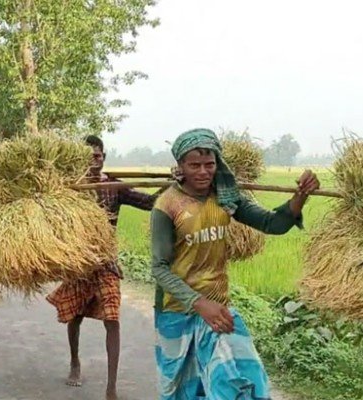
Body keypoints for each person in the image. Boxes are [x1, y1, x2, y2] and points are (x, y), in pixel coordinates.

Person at [149, 128, 320, 399]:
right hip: (177, 312)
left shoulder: (227, 198)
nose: (204, 172)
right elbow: (158, 268)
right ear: (180, 166)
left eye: (210, 164)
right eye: (194, 165)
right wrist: (198, 303)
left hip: (218, 310)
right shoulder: (167, 206)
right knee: (183, 390)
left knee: (238, 382)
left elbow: (271, 223)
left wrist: (300, 196)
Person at [46, 135, 165, 400]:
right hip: (78, 262)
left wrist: (171, 186)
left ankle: (111, 388)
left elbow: (148, 203)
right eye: (89, 156)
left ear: (104, 157)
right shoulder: (69, 189)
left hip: (107, 262)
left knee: (112, 319)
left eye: (98, 155)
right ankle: (75, 361)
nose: (94, 160)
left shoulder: (114, 186)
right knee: (74, 316)